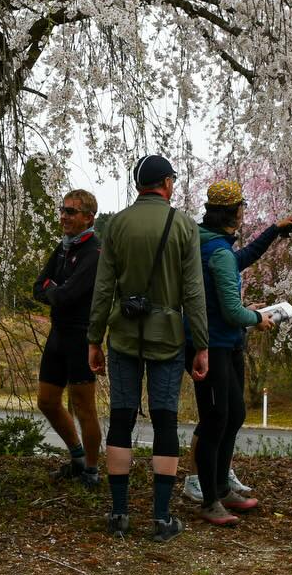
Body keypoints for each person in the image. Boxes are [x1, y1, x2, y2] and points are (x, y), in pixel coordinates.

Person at [88, 154, 209, 543]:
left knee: (121, 418)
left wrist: (93, 338)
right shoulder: (184, 225)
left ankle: (119, 513)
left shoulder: (118, 224)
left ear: (139, 184)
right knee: (165, 420)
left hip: (123, 335)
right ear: (167, 183)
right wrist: (202, 344)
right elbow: (193, 290)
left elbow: (103, 288)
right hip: (168, 338)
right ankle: (161, 517)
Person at [184, 180, 292, 524]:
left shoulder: (213, 244)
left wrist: (273, 232)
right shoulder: (216, 251)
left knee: (232, 415)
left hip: (227, 342)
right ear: (234, 212)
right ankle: (208, 499)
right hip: (212, 345)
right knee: (216, 419)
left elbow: (239, 260)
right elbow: (233, 312)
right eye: (243, 207)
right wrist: (256, 317)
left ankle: (220, 487)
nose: (245, 211)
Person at [33, 189, 102, 488]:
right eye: (62, 210)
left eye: (71, 211)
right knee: (46, 401)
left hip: (81, 337)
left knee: (84, 407)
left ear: (88, 217)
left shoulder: (94, 251)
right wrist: (55, 290)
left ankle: (92, 469)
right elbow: (39, 287)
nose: (63, 216)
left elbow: (68, 294)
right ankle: (76, 457)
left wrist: (55, 290)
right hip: (58, 333)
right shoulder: (63, 248)